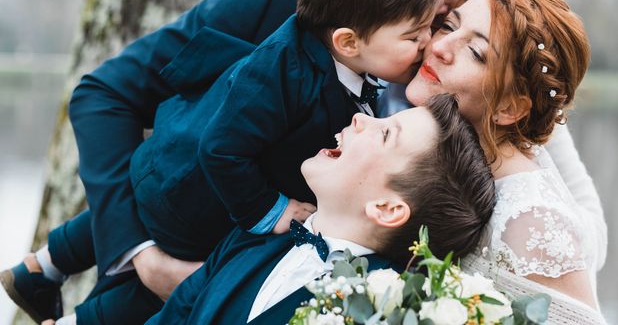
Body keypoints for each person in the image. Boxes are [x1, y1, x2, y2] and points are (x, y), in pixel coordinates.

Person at [3, 0, 605, 322]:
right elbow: (104, 95)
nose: (439, 5)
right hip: (157, 279)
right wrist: (138, 253)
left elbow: (577, 233)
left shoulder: (501, 106)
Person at [4, 0, 440, 324]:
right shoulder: (290, 72)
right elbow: (219, 148)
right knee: (165, 285)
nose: (427, 44)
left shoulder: (348, 48)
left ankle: (39, 267)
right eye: (414, 37)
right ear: (347, 41)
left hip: (171, 165)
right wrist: (272, 211)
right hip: (200, 191)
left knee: (145, 202)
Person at [143, 94, 496, 324]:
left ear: (387, 208)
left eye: (386, 134)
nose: (362, 119)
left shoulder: (372, 311)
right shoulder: (255, 236)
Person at [403, 0, 606, 323]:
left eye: (476, 53)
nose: (441, 46)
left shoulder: (528, 219)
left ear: (510, 107)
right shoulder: (450, 155)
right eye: (450, 26)